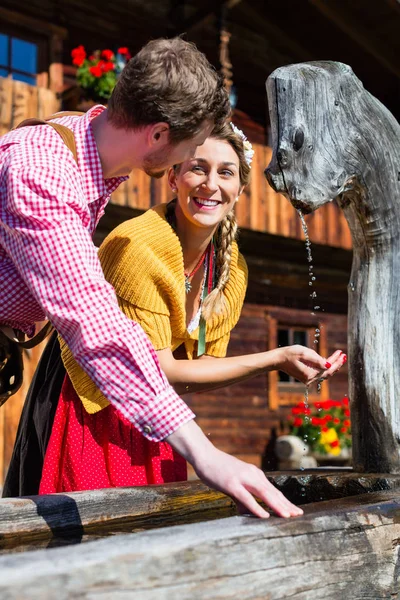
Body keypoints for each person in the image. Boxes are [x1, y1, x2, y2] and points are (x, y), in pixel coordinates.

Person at [28, 122, 344, 518]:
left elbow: (199, 368)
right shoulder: (139, 246)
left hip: (161, 416)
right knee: (97, 534)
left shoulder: (231, 269)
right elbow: (162, 371)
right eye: (198, 168)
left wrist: (282, 360)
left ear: (240, 190)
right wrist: (274, 359)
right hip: (98, 411)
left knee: (163, 534)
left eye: (225, 172)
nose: (210, 184)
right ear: (174, 177)